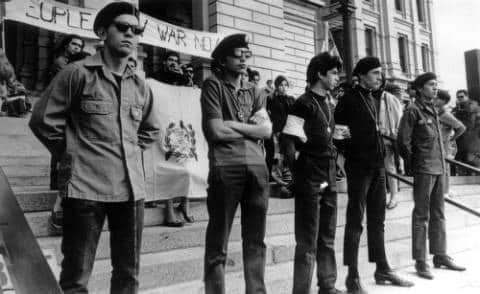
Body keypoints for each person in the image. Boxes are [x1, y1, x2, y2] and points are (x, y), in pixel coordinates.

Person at [29, 2, 160, 293]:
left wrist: (130, 148)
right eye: (122, 28)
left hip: (131, 191)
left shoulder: (140, 86)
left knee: (129, 276)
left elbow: (151, 130)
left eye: (135, 30)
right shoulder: (77, 74)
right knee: (76, 277)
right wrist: (72, 153)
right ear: (102, 32)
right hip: (86, 189)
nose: (130, 34)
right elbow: (42, 121)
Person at [334, 57, 413, 294]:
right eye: (375, 73)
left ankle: (382, 268)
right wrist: (354, 156)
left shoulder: (372, 97)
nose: (380, 77)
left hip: (378, 167)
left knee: (378, 221)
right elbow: (339, 138)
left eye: (380, 73)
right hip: (359, 169)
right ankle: (353, 277)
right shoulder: (347, 100)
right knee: (355, 223)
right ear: (362, 75)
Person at [201, 33, 272, 294]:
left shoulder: (254, 91)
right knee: (218, 242)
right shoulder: (213, 86)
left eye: (246, 55)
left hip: (256, 170)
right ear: (223, 59)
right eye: (237, 55)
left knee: (256, 241)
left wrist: (233, 124)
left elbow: (266, 131)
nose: (243, 60)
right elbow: (216, 132)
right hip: (225, 168)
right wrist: (247, 130)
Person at [282, 52, 343, 294]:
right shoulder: (302, 103)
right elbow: (288, 142)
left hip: (328, 176)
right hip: (310, 176)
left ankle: (327, 286)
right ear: (320, 74)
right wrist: (299, 174)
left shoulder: (328, 103)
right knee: (307, 241)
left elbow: (332, 136)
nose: (338, 77)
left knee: (327, 237)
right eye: (334, 73)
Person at [397, 73, 466, 280]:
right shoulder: (412, 110)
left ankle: (440, 255)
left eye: (436, 85)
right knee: (421, 214)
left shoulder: (435, 110)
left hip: (439, 167)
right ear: (419, 88)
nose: (435, 88)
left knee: (439, 213)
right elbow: (402, 142)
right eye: (430, 85)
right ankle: (420, 261)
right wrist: (413, 165)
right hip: (424, 168)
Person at [374, 78, 403, 210]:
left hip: (386, 138)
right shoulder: (366, 96)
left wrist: (395, 135)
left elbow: (399, 118)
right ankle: (381, 196)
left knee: (389, 167)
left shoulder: (389, 98)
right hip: (372, 139)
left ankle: (394, 196)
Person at [265, 75, 295, 190]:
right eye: (281, 85)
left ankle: (289, 178)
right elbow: (269, 115)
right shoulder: (271, 99)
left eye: (285, 85)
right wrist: (274, 130)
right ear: (277, 87)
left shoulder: (291, 99)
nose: (284, 87)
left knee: (289, 154)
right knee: (277, 154)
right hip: (277, 130)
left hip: (289, 131)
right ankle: (277, 178)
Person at [435, 90, 465, 197]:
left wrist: (452, 139)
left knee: (444, 167)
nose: (434, 98)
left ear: (443, 101)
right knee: (441, 167)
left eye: (437, 97)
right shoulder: (437, 111)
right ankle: (443, 190)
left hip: (444, 144)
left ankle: (445, 191)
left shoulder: (445, 114)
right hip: (437, 144)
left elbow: (461, 128)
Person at [452, 89, 480, 174]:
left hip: (471, 136)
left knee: (469, 157)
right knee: (462, 158)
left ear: (467, 96)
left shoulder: (472, 105)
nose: (459, 98)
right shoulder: (458, 107)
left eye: (461, 96)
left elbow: (469, 111)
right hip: (462, 136)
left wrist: (457, 110)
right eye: (458, 97)